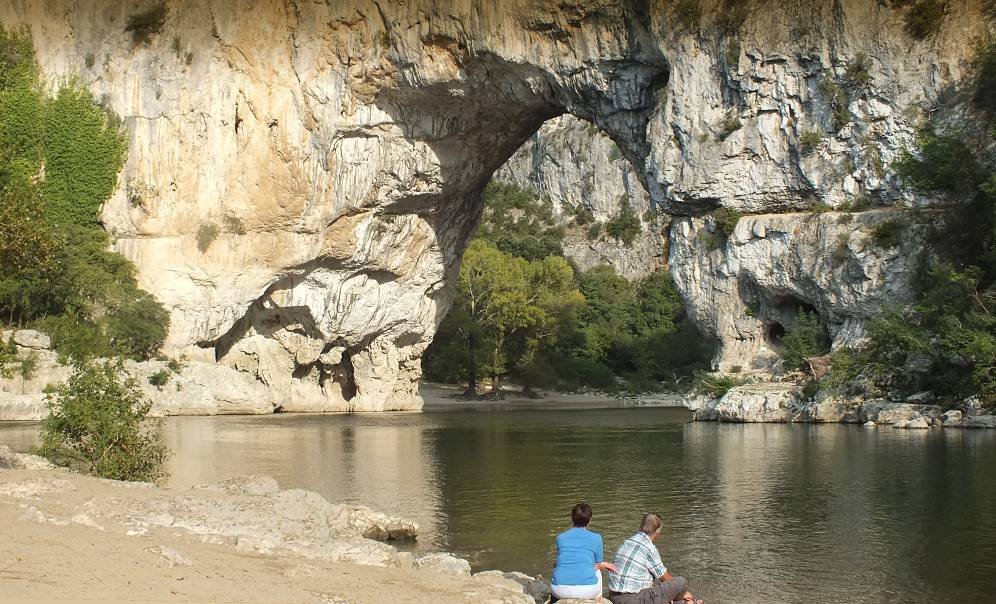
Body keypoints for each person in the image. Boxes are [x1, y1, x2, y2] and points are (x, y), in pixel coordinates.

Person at [607, 513, 703, 604]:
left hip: (614, 595)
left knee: (656, 582)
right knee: (680, 582)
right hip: (631, 599)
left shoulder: (627, 542)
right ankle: (682, 602)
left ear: (640, 527)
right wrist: (681, 592)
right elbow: (665, 578)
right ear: (657, 533)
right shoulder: (649, 547)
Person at [550, 502, 617, 601]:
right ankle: (599, 601)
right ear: (590, 520)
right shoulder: (597, 538)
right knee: (597, 572)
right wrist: (603, 564)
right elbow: (596, 566)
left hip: (559, 590)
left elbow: (562, 561)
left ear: (571, 518)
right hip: (587, 591)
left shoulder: (560, 537)